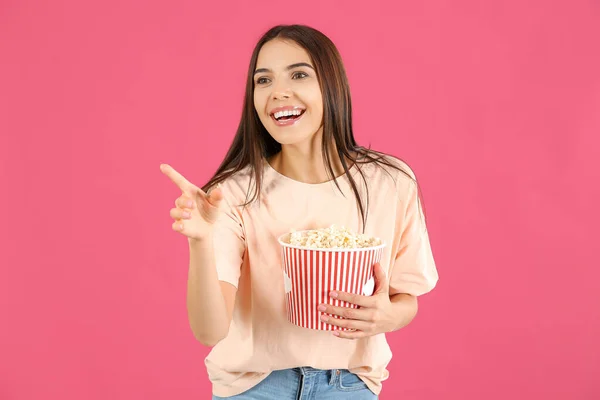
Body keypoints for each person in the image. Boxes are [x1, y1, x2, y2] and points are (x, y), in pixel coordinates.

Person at [160, 24, 439, 400]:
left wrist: (389, 317)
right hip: (254, 387)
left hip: (351, 385)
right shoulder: (231, 195)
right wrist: (200, 241)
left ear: (332, 84)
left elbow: (406, 297)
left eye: (299, 74)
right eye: (263, 80)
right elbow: (210, 331)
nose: (278, 92)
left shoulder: (391, 182)